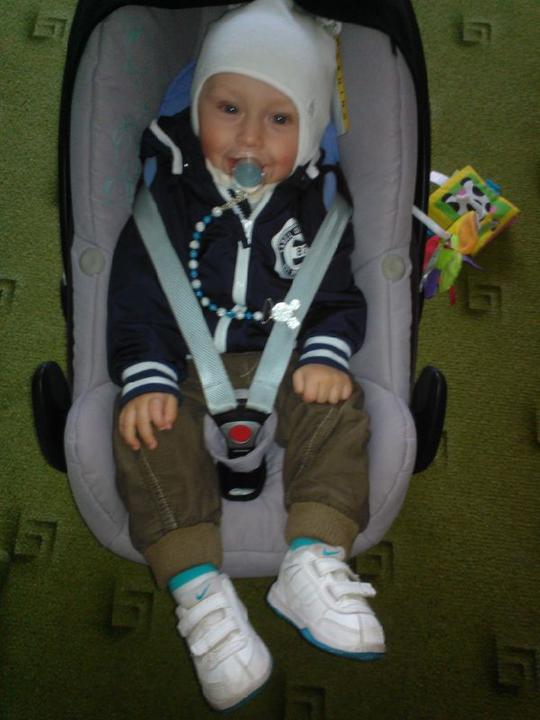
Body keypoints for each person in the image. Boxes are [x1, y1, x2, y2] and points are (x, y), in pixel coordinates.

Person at [108, 0, 385, 711]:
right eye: (228, 108)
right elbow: (139, 295)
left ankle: (313, 558)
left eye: (279, 118)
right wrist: (146, 374)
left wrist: (323, 354)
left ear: (311, 127)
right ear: (196, 103)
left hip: (283, 354)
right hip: (183, 362)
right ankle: (199, 589)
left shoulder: (316, 206)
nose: (250, 137)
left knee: (341, 409)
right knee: (144, 429)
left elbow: (333, 297)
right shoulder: (169, 194)